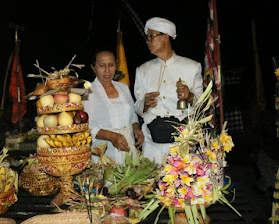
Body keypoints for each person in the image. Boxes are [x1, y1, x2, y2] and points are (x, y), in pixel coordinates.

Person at [134, 17, 204, 164]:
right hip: (153, 145)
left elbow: (202, 105)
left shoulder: (191, 67)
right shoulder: (142, 70)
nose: (148, 41)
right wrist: (145, 104)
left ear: (165, 36)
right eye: (147, 37)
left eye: (151, 36)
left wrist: (190, 96)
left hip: (183, 145)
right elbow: (138, 107)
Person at [83, 50, 144, 164]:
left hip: (128, 147)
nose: (107, 70)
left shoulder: (123, 87)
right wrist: (111, 136)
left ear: (116, 65)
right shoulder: (89, 92)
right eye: (102, 66)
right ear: (93, 67)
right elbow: (87, 126)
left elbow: (132, 115)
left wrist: (136, 128)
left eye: (111, 65)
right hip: (105, 151)